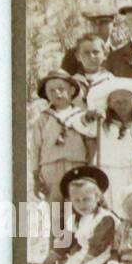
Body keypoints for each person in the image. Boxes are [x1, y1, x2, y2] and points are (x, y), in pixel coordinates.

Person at [29, 166, 116, 264]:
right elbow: (60, 249)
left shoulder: (105, 219)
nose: (82, 205)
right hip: (84, 255)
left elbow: (94, 252)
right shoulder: (77, 219)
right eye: (77, 201)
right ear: (70, 200)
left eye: (86, 199)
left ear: (97, 197)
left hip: (101, 257)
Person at [84, 76, 132, 210]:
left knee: (128, 209)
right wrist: (88, 117)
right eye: (116, 101)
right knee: (107, 211)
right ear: (110, 103)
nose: (121, 105)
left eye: (125, 101)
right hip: (106, 173)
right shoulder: (101, 123)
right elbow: (83, 125)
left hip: (131, 173)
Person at [31, 70, 95, 203]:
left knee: (75, 207)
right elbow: (35, 148)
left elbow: (91, 144)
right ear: (46, 94)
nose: (57, 93)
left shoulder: (82, 116)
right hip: (50, 169)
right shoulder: (43, 118)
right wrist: (36, 177)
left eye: (61, 89)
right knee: (55, 211)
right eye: (51, 91)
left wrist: (90, 169)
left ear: (72, 90)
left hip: (77, 167)